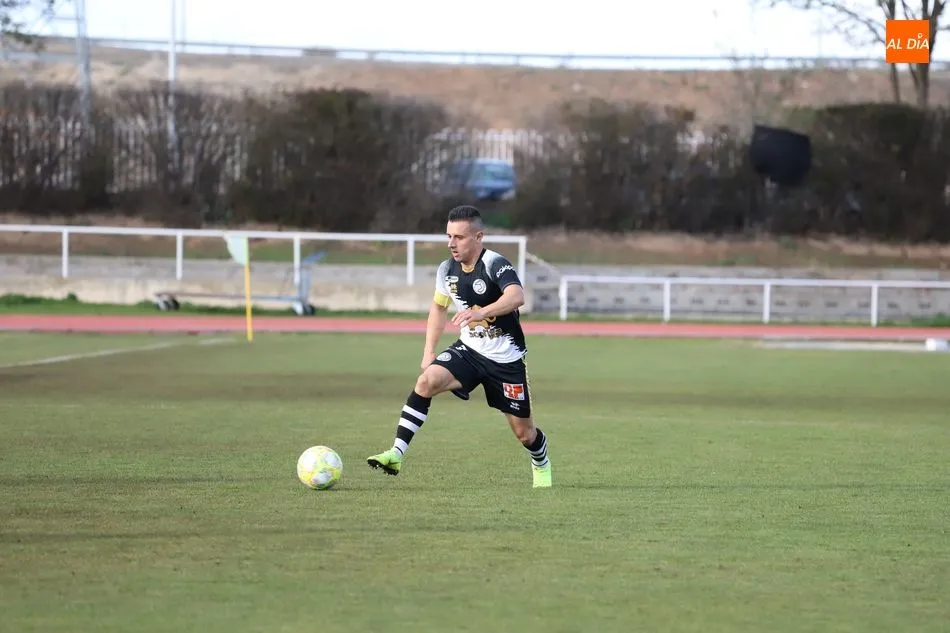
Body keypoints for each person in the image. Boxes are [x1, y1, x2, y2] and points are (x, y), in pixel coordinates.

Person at [366, 205, 552, 488]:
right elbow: (438, 308)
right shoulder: (447, 269)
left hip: (506, 361)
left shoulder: (494, 263)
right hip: (469, 352)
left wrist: (481, 312)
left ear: (478, 236)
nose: (452, 243)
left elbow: (517, 296)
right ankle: (396, 453)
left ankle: (540, 460)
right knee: (427, 381)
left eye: (459, 237)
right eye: (449, 236)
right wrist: (429, 352)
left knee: (525, 434)